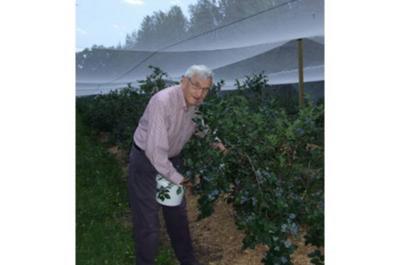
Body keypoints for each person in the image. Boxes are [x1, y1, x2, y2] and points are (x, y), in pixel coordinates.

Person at [128, 65, 224, 265]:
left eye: (206, 89)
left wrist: (216, 143)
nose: (200, 94)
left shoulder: (194, 104)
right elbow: (155, 153)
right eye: (196, 86)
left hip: (171, 161)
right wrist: (181, 179)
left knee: (177, 217)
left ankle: (188, 261)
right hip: (146, 163)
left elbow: (199, 124)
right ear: (183, 81)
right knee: (148, 223)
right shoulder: (162, 102)